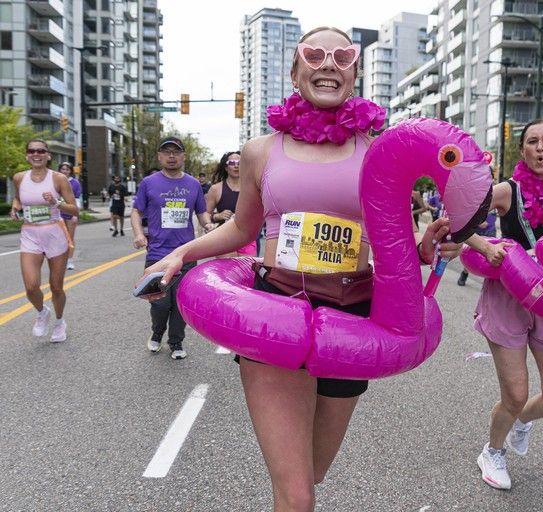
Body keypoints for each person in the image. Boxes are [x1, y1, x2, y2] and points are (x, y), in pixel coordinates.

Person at [137, 27, 460, 510]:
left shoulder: (380, 153)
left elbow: (393, 240)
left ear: (354, 72)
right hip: (277, 310)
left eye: (342, 56)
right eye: (314, 54)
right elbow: (242, 229)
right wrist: (182, 254)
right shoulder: (261, 150)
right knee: (297, 493)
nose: (328, 63)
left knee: (313, 472)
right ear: (296, 71)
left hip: (354, 319)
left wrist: (425, 247)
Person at [465, 119, 543, 490]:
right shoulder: (506, 191)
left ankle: (520, 420)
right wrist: (485, 246)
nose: (540, 148)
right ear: (522, 151)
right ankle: (493, 451)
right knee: (515, 394)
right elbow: (460, 219)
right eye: (532, 142)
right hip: (509, 297)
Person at [130, 137, 213, 360]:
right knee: (159, 301)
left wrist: (208, 224)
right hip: (158, 254)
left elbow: (201, 212)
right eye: (166, 152)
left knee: (180, 304)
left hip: (187, 253)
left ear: (183, 156)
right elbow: (136, 211)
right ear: (159, 156)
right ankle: (157, 332)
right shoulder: (149, 183)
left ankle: (176, 342)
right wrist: (138, 233)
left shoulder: (193, 184)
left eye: (176, 152)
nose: (171, 156)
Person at [10, 139, 79, 342]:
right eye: (32, 150)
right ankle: (42, 312)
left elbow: (74, 209)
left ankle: (59, 322)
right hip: (30, 234)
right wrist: (15, 209)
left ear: (48, 155)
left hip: (54, 234)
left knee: (56, 286)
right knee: (31, 286)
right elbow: (18, 199)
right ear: (27, 155)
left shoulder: (58, 179)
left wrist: (56, 202)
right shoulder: (19, 178)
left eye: (41, 151)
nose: (36, 154)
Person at [205, 151, 257, 256]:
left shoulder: (252, 188)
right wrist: (217, 216)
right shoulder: (216, 189)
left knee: (248, 271)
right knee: (228, 272)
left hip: (246, 238)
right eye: (232, 163)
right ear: (226, 167)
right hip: (224, 238)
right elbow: (205, 213)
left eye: (240, 163)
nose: (236, 166)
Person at [457, 209, 497, 286]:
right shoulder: (479, 198)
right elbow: (467, 212)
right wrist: (478, 222)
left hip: (490, 231)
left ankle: (488, 284)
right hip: (476, 231)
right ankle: (465, 273)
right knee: (471, 255)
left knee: (491, 258)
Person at [57, 162, 82, 270]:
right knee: (59, 238)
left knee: (70, 238)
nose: (65, 171)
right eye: (63, 169)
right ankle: (60, 260)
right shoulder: (55, 181)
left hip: (70, 213)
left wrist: (76, 213)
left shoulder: (75, 183)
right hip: (58, 212)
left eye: (67, 169)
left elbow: (77, 199)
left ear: (70, 171)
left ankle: (70, 261)